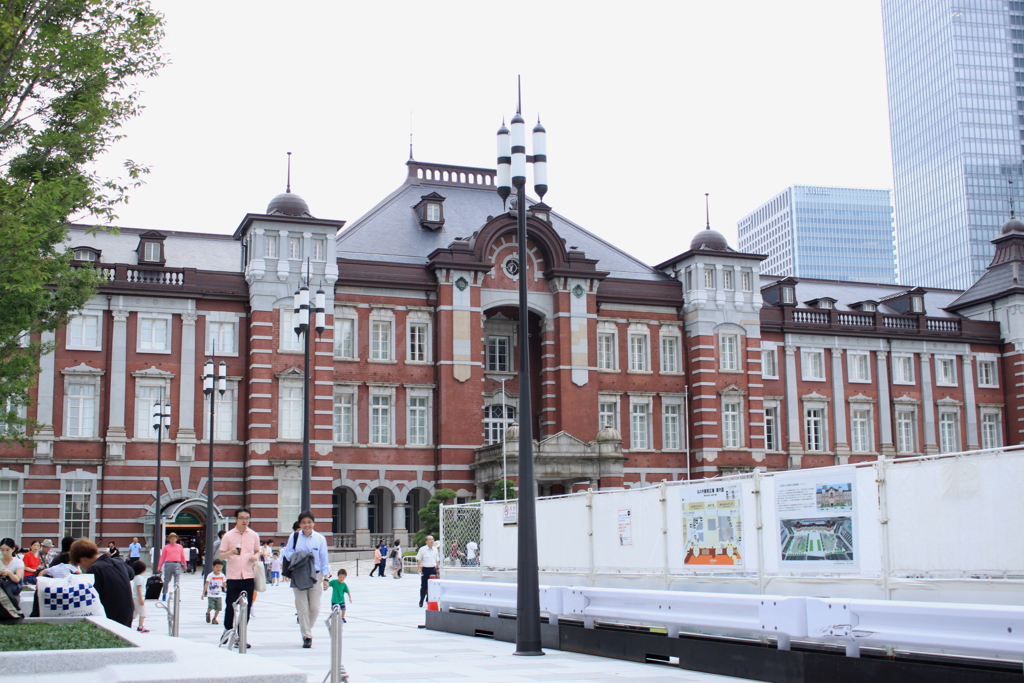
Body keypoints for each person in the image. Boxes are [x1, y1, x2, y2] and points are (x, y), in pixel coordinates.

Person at [282, 511, 330, 648]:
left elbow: (324, 558)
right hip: (299, 573)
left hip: (315, 575)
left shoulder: (320, 539)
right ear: (300, 524)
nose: (306, 525)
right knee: (302, 607)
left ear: (313, 523)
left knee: (315, 607)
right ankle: (307, 636)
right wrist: (299, 557)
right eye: (303, 522)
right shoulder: (295, 536)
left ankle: (306, 627)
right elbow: (287, 552)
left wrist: (326, 578)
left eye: (309, 522)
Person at [218, 507, 260, 643]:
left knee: (246, 607)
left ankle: (241, 635)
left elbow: (258, 551)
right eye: (242, 518)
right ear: (236, 519)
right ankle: (228, 629)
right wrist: (231, 552)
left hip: (248, 576)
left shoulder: (254, 535)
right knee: (230, 605)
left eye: (247, 518)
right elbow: (221, 555)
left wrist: (255, 556)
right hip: (233, 576)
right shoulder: (228, 536)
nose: (245, 521)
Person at [76, 538, 135, 627]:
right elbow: (131, 574)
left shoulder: (94, 569)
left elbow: (93, 597)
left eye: (79, 565)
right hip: (127, 613)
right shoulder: (119, 561)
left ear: (83, 559)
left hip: (110, 615)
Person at [157, 532, 186, 600]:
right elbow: (162, 557)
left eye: (174, 537)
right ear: (169, 539)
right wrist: (159, 566)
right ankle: (164, 594)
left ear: (176, 539)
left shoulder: (180, 547)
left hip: (177, 564)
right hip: (168, 564)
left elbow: (182, 556)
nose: (173, 539)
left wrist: (185, 564)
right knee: (166, 580)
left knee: (177, 581)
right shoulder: (166, 547)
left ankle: (176, 596)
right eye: (171, 537)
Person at [415, 535, 439, 607]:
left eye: (432, 539)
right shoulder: (422, 549)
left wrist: (438, 568)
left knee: (432, 586)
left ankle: (429, 599)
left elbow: (437, 559)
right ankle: (421, 600)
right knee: (424, 586)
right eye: (430, 539)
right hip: (425, 569)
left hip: (433, 569)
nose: (432, 541)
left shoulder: (435, 549)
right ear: (426, 541)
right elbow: (419, 559)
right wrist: (419, 568)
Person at [202, 559, 226, 625]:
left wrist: (227, 588)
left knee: (218, 608)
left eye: (220, 567)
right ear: (213, 567)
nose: (218, 569)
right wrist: (203, 593)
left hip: (219, 595)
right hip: (211, 594)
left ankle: (214, 618)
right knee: (211, 606)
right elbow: (206, 584)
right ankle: (208, 613)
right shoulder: (210, 575)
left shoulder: (222, 575)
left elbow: (224, 584)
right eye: (217, 567)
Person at [131, 560, 149, 633]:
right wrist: (141, 598)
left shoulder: (135, 577)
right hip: (138, 598)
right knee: (143, 612)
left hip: (134, 597)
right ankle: (140, 627)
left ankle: (128, 625)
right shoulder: (140, 578)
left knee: (134, 613)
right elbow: (139, 589)